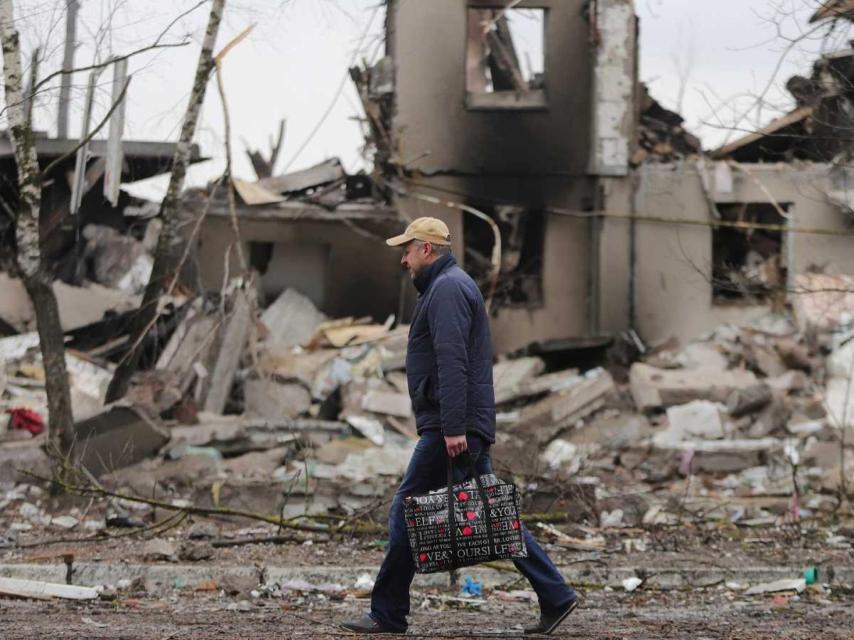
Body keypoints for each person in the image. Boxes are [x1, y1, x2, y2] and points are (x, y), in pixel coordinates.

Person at [340, 217, 578, 635]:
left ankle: (387, 613)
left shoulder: (448, 289)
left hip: (453, 428)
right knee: (493, 515)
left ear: (427, 249)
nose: (404, 259)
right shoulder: (446, 287)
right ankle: (555, 594)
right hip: (460, 424)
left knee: (404, 510)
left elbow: (453, 363)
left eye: (408, 249)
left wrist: (452, 428)